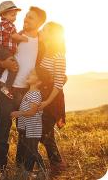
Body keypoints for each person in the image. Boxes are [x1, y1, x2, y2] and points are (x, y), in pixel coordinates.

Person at [0, 6, 46, 179]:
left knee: (25, 132)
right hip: (7, 89)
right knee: (2, 130)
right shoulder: (14, 36)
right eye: (26, 17)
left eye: (31, 18)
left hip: (27, 93)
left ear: (39, 23)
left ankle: (21, 168)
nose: (26, 20)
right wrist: (4, 64)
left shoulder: (42, 43)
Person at [36, 21, 67, 175]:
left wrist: (47, 102)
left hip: (53, 100)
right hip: (41, 97)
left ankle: (58, 165)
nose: (41, 31)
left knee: (45, 132)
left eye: (45, 30)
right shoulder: (42, 52)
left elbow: (59, 83)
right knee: (44, 132)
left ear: (51, 35)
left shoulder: (59, 56)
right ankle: (56, 162)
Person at [0, 1, 28, 99]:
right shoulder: (8, 24)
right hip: (4, 50)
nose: (15, 18)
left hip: (1, 50)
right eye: (12, 15)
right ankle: (6, 88)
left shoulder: (4, 25)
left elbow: (11, 36)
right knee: (14, 67)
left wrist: (20, 34)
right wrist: (24, 38)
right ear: (4, 14)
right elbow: (13, 35)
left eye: (15, 15)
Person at [10, 69, 46, 179]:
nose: (29, 74)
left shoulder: (35, 94)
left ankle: (36, 171)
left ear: (39, 82)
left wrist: (18, 113)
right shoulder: (30, 92)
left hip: (33, 128)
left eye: (33, 74)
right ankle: (29, 170)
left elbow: (32, 112)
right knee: (29, 150)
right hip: (26, 128)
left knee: (32, 151)